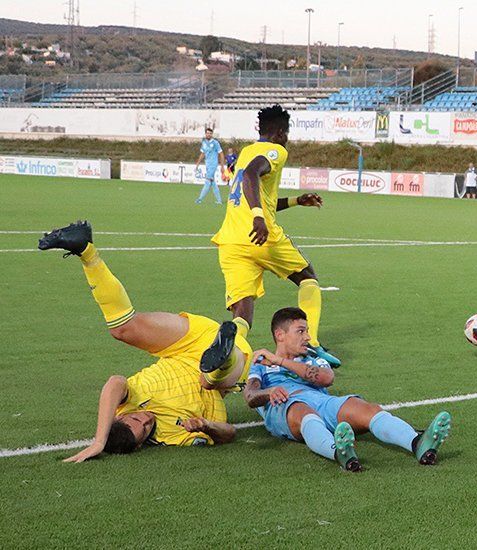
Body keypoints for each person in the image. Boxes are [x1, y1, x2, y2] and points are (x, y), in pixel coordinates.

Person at [38, 221, 253, 462]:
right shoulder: (173, 436)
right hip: (227, 370)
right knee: (210, 379)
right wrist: (206, 426)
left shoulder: (125, 403)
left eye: (137, 417)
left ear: (120, 417)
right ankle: (223, 355)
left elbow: (115, 382)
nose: (146, 418)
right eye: (144, 427)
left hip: (183, 345)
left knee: (122, 329)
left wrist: (99, 440)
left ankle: (85, 250)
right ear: (142, 444)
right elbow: (229, 434)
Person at [243, 307, 452, 471]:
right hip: (286, 406)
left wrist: (280, 361)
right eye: (301, 331)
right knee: (302, 411)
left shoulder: (313, 358)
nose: (307, 336)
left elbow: (326, 378)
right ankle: (338, 452)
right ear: (280, 335)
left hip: (321, 401)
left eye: (307, 331)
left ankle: (417, 443)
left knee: (366, 408)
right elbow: (251, 396)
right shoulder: (260, 363)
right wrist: (269, 392)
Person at [212, 104, 341, 367]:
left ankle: (232, 347)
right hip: (262, 236)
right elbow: (251, 175)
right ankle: (312, 343)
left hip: (231, 241)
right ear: (280, 132)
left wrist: (296, 201)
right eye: (288, 134)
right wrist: (259, 216)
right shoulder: (276, 151)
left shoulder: (247, 151)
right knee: (307, 277)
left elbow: (255, 191)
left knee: (242, 309)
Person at [195, 127, 226, 205]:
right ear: (205, 134)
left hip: (213, 164)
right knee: (212, 182)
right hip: (207, 164)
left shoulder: (215, 143)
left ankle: (199, 199)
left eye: (210, 133)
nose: (208, 135)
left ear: (212, 134)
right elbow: (202, 153)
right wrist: (198, 163)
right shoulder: (204, 142)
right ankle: (219, 200)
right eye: (207, 133)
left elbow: (221, 154)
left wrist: (222, 166)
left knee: (208, 181)